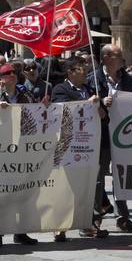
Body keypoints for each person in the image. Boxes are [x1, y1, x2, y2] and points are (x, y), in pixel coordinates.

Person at [0, 63, 40, 247]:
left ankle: (20, 232)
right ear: (0, 78)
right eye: (7, 73)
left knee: (23, 193)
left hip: (22, 150)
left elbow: (35, 115)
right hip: (1, 152)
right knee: (1, 194)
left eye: (14, 72)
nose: (12, 75)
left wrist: (45, 106)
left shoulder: (26, 96)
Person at [50, 58, 104, 241]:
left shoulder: (90, 89)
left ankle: (86, 223)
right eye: (81, 69)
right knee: (64, 186)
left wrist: (100, 109)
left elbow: (101, 114)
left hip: (87, 145)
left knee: (86, 187)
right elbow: (64, 110)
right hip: (67, 145)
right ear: (70, 72)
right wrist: (87, 103)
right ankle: (59, 227)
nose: (85, 71)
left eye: (86, 68)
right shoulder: (60, 89)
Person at [89, 43, 132, 234]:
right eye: (119, 55)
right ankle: (95, 219)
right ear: (106, 58)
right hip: (101, 134)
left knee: (121, 176)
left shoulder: (126, 78)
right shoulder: (93, 79)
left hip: (123, 134)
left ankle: (123, 217)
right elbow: (85, 103)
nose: (123, 59)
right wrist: (101, 103)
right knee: (99, 177)